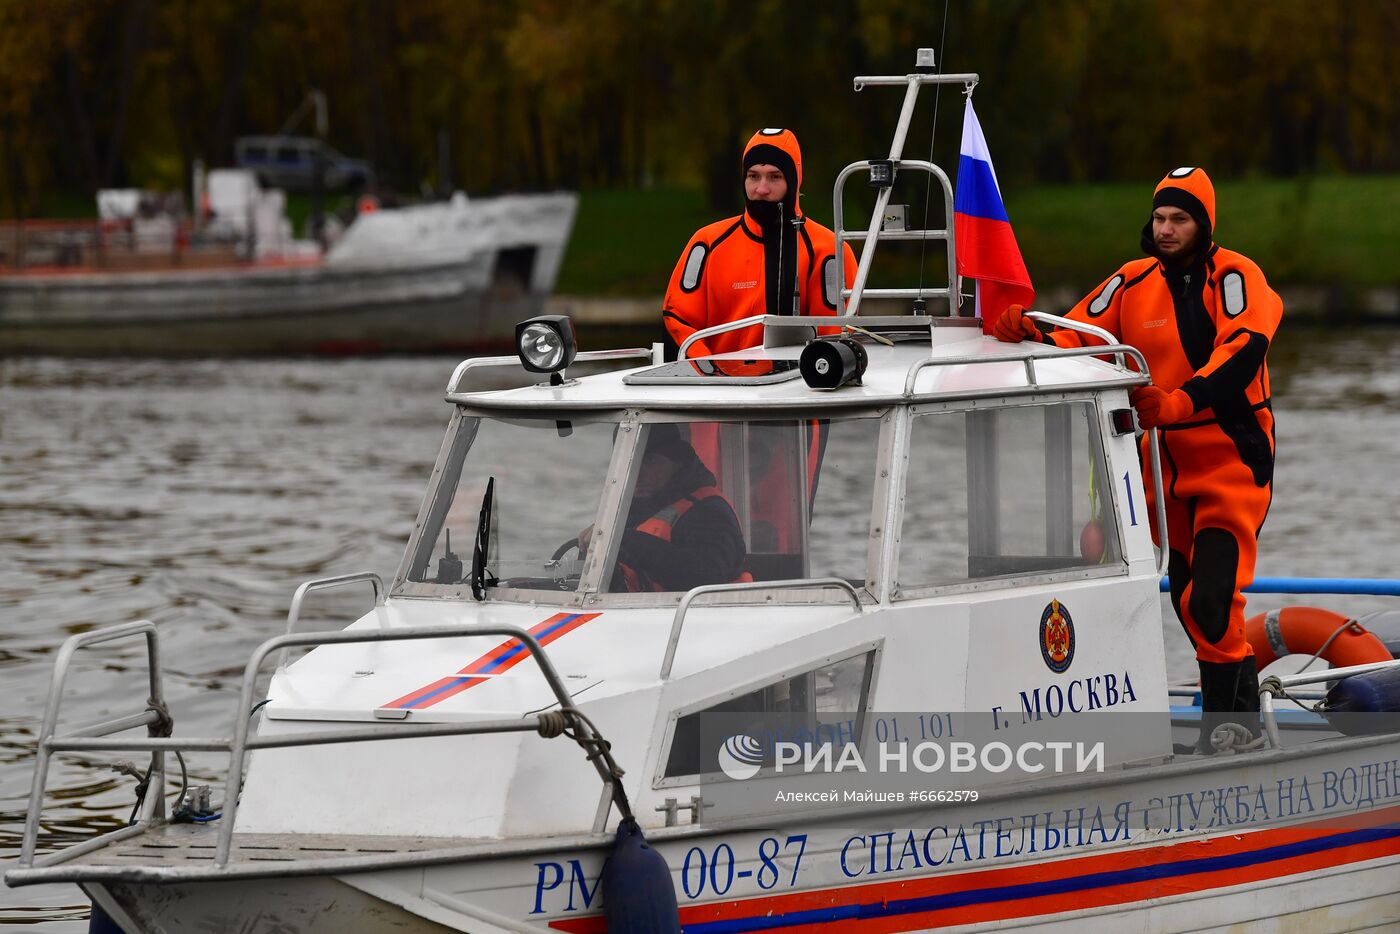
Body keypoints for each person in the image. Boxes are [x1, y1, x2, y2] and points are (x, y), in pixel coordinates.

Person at [992, 167, 1282, 746]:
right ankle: (1240, 720)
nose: (1167, 229)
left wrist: (1180, 402)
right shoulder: (1130, 281)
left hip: (1231, 461)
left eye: (1180, 218)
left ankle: (1228, 730)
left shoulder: (1237, 275)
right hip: (1157, 469)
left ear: (1204, 224)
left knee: (1213, 595)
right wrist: (1023, 328)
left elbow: (1245, 350)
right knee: (1188, 598)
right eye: (1160, 217)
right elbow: (1078, 333)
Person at [662, 128, 858, 358]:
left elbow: (835, 335)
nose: (761, 189)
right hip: (719, 386)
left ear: (793, 181)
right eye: (753, 176)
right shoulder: (707, 243)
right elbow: (678, 319)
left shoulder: (828, 251)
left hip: (801, 387)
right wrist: (708, 371)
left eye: (774, 177)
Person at [583, 425, 747, 592]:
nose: (637, 474)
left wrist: (620, 540)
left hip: (703, 615)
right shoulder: (634, 507)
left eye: (649, 461)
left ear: (677, 462)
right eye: (629, 464)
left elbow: (709, 576)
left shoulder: (709, 511)